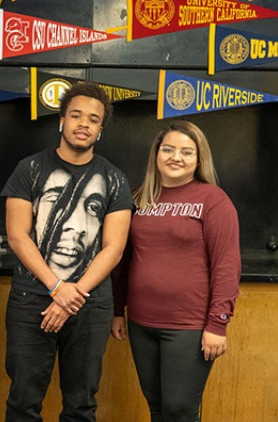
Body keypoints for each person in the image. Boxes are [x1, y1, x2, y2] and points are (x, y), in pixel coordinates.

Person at [1, 81, 133, 421]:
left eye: (93, 119)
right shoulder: (28, 169)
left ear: (101, 129)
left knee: (81, 405)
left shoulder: (115, 179)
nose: (83, 124)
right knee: (22, 401)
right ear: (62, 120)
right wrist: (56, 288)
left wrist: (75, 293)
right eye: (76, 115)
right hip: (31, 300)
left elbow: (114, 248)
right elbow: (17, 235)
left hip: (89, 305)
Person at [111, 120, 240, 422]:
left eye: (186, 151)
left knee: (179, 411)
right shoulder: (139, 198)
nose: (175, 157)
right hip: (142, 323)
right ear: (156, 154)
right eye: (168, 149)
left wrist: (218, 324)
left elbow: (227, 265)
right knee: (157, 410)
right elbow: (123, 260)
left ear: (199, 159)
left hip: (189, 326)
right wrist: (119, 310)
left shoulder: (213, 201)